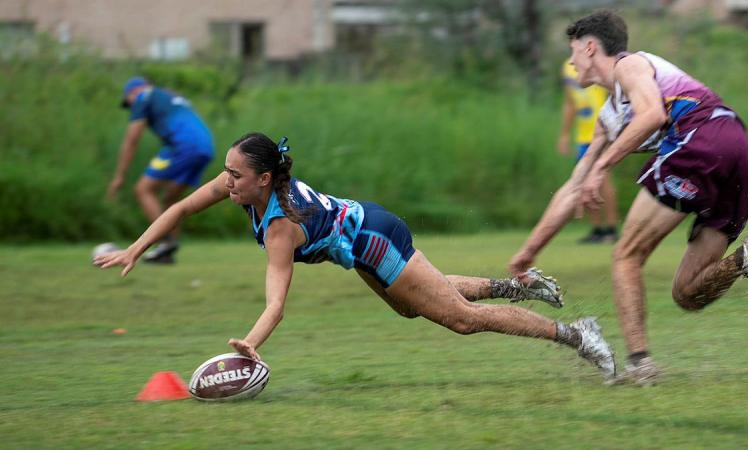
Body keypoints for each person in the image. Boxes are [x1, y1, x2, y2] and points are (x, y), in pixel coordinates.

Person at [95, 132, 616, 380]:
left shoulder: (280, 226)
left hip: (373, 236)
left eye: (235, 174)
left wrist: (249, 344)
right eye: (226, 171)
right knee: (413, 305)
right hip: (357, 243)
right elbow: (183, 207)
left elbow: (275, 304)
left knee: (459, 320)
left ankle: (577, 333)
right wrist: (135, 249)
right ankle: (518, 287)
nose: (225, 180)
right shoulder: (243, 187)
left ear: (265, 179)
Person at [508, 10, 748, 385]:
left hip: (702, 140)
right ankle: (746, 258)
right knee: (688, 293)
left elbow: (652, 115)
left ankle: (641, 365)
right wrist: (529, 252)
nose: (572, 62)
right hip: (739, 151)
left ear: (591, 47)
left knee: (625, 256)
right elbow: (575, 185)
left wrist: (604, 167)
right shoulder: (610, 115)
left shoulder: (630, 66)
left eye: (574, 52)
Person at [106, 76, 215, 264]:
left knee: (143, 190)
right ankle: (166, 253)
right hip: (205, 147)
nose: (131, 107)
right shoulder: (170, 96)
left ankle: (165, 241)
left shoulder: (142, 97)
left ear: (133, 93)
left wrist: (119, 176)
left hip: (183, 146)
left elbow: (132, 140)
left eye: (128, 103)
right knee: (171, 199)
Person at [558, 59, 618, 243]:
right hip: (582, 135)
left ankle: (611, 228)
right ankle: (598, 229)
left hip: (601, 131)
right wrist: (565, 134)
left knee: (602, 179)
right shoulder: (567, 67)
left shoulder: (597, 63)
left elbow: (614, 93)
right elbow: (570, 103)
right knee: (584, 180)